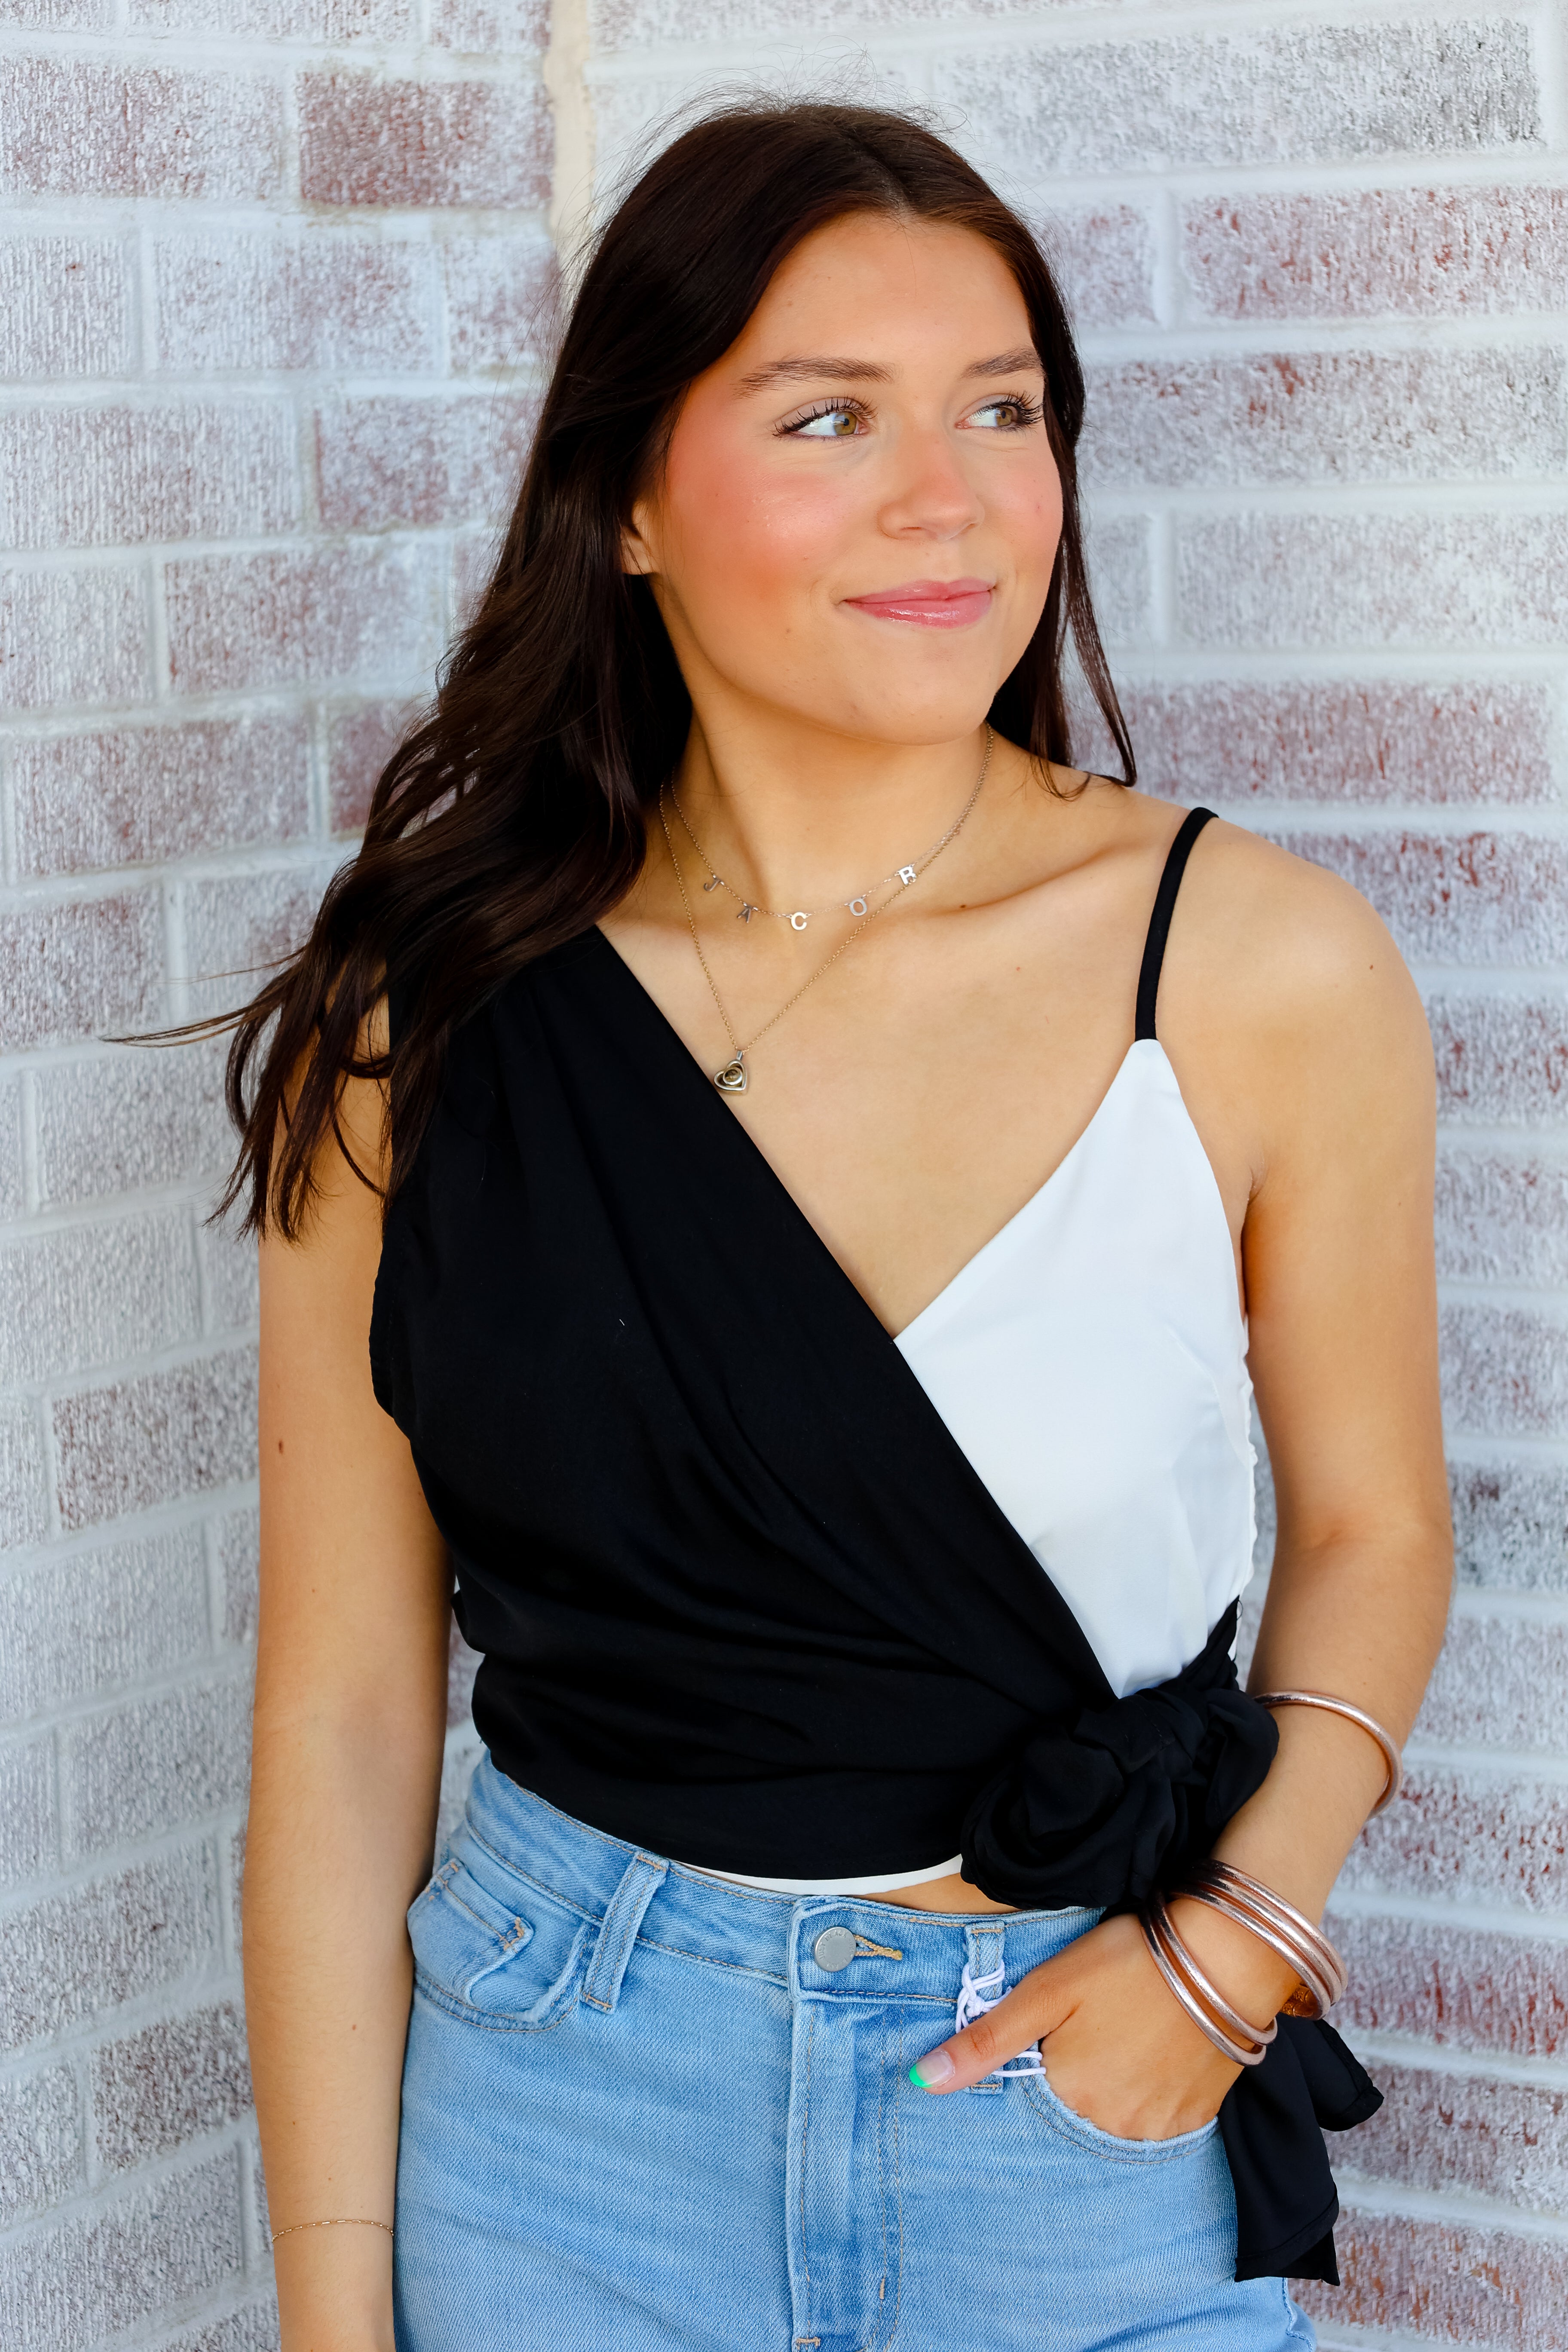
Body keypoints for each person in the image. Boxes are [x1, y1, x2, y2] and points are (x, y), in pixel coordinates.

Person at [224, 101, 1451, 2352]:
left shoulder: (1256, 966)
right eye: (828, 417)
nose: (948, 497)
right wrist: (331, 2304)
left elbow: (1376, 1527)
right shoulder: (433, 1015)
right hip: (560, 2112)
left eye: (1003, 409)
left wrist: (1234, 1952)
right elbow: (344, 1707)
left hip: (1080, 2103)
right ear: (624, 503)